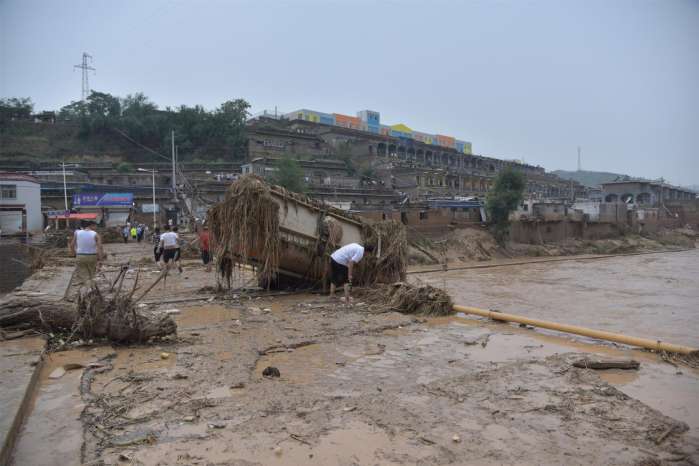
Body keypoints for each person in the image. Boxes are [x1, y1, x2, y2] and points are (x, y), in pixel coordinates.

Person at [69, 220, 103, 286]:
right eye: (95, 226)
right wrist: (100, 259)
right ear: (91, 226)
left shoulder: (77, 233)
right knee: (92, 275)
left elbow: (72, 245)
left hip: (80, 256)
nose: (96, 227)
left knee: (84, 275)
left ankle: (88, 288)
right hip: (92, 256)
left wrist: (74, 254)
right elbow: (100, 247)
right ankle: (90, 288)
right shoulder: (95, 234)